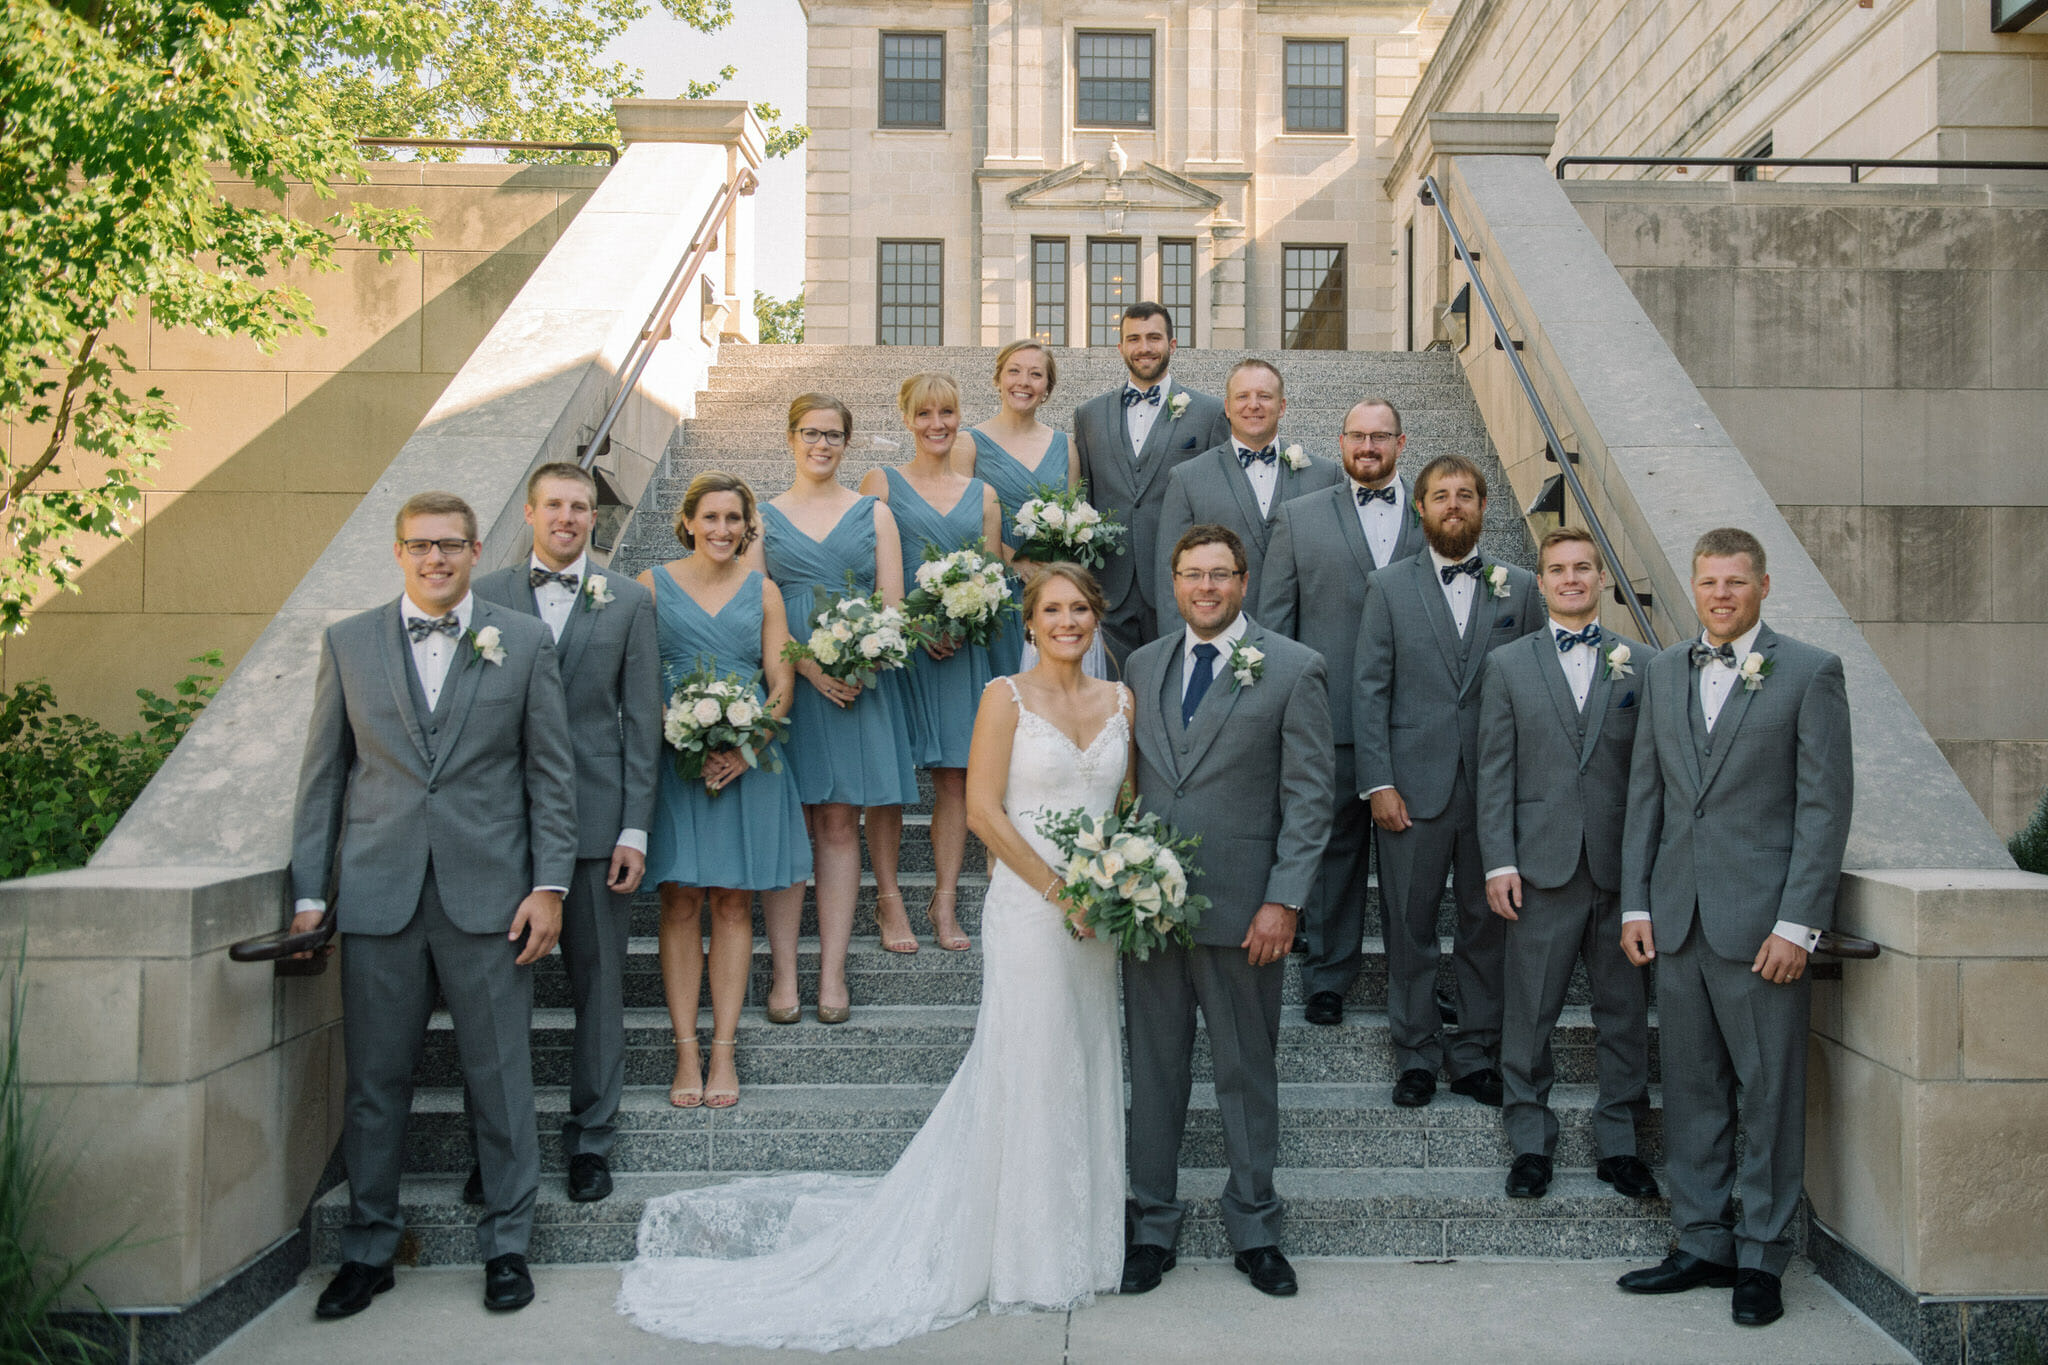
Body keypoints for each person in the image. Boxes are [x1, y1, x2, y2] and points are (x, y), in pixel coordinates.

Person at [616, 564, 1131, 1351]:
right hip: (1035, 909)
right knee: (1030, 1060)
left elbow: (1125, 806)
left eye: (1079, 609)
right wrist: (1061, 890)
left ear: (1096, 619)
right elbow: (985, 811)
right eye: (1052, 609)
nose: (1067, 621)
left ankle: (1083, 1237)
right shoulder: (1004, 697)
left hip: (1101, 916)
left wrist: (1122, 878)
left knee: (1088, 1054)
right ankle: (1024, 1252)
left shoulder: (1121, 700)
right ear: (1028, 623)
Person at [289, 490, 576, 1318]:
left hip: (492, 899)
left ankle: (508, 1245)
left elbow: (549, 778)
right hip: (378, 898)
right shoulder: (348, 643)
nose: (436, 559)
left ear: (476, 548)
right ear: (398, 551)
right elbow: (323, 781)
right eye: (420, 545)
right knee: (376, 1084)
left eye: (451, 545)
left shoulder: (521, 642)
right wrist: (312, 895)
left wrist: (549, 886)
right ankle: (369, 1248)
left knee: (501, 1078)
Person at [1615, 527, 1852, 1328]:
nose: (1721, 595)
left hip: (1761, 929)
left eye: (1736, 582)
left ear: (1763, 585)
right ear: (1694, 585)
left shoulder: (1810, 673)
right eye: (1709, 582)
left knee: (1771, 1091)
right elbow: (1645, 794)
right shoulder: (1662, 670)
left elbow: (1824, 810)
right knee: (1690, 1091)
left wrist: (1799, 925)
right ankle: (1702, 1239)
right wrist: (1637, 903)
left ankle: (1761, 1254)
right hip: (1678, 919)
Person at [1120, 525, 1334, 1300]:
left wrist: (1284, 899)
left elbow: (1310, 799)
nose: (1205, 588)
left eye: (1220, 575)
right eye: (1191, 575)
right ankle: (1151, 1225)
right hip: (1149, 912)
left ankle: (1255, 1226)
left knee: (1245, 1072)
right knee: (1154, 1072)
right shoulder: (1143, 664)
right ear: (1173, 582)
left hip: (1248, 911)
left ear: (1244, 582)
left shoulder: (1294, 667)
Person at [460, 462, 659, 1206]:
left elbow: (643, 720)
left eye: (582, 507)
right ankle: (500, 1147)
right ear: (531, 512)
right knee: (493, 999)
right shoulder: (485, 596)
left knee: (599, 988)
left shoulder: (630, 600)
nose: (569, 518)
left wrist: (634, 827)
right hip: (500, 827)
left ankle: (590, 1141)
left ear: (593, 518)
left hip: (598, 824)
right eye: (556, 505)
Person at [1354, 454, 1542, 1110]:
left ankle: (1475, 1052)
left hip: (1494, 792)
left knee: (1484, 923)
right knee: (1408, 923)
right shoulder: (1388, 587)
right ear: (1421, 508)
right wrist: (1378, 780)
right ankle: (1416, 1052)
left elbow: (1542, 688)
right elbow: (1370, 687)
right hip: (1412, 785)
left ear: (1484, 507)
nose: (1453, 505)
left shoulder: (1520, 588)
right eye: (1441, 495)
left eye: (1466, 495)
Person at [1475, 528, 1655, 1202]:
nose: (1571, 578)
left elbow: (1653, 777)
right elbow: (1493, 773)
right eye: (1557, 569)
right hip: (1539, 866)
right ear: (1541, 581)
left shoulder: (1643, 664)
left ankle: (1621, 1142)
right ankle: (1529, 1141)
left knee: (1624, 1011)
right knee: (1529, 1012)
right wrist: (1499, 861)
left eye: (1583, 567)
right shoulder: (1508, 665)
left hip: (1620, 870)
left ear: (1601, 578)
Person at [639, 473, 811, 1110]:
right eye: (709, 518)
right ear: (687, 522)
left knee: (735, 905)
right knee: (681, 902)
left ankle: (723, 1052)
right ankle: (685, 1048)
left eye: (734, 519)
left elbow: (783, 685)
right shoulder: (651, 585)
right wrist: (676, 731)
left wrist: (746, 748)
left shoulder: (764, 591)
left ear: (747, 527)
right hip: (676, 763)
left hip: (747, 764)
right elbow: (634, 674)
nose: (721, 530)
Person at [1259, 398, 1426, 1026]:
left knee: (1414, 863)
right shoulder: (1298, 518)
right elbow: (1274, 625)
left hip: (1415, 718)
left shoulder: (1435, 515)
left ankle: (1417, 983)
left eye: (1380, 436)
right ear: (1341, 439)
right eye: (1356, 435)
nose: (1367, 447)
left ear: (1401, 443)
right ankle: (1328, 975)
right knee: (1330, 852)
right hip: (1327, 717)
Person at [753, 394, 919, 1014]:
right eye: (809, 433)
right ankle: (785, 975)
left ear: (847, 443)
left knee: (838, 823)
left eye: (832, 435)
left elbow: (893, 604)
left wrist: (859, 659)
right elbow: (755, 605)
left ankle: (832, 973)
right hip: (790, 681)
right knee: (791, 826)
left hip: (857, 686)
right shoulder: (763, 519)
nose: (821, 445)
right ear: (791, 438)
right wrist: (807, 669)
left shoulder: (873, 514)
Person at [861, 372, 1004, 953]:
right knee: (892, 784)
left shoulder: (986, 496)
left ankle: (943, 899)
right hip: (899, 650)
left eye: (947, 412)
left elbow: (993, 580)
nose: (937, 424)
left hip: (959, 654)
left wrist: (965, 621)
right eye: (924, 414)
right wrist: (912, 626)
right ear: (906, 419)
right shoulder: (882, 482)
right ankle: (889, 899)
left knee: (955, 778)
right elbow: (865, 566)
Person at [1070, 301, 1231, 666]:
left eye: (1154, 338)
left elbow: (1218, 503)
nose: (1144, 347)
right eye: (1134, 339)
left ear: (1172, 345)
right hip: (1110, 585)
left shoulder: (1208, 414)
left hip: (1181, 585)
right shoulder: (1089, 416)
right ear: (1121, 348)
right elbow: (1084, 498)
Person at [1153, 358, 1341, 637]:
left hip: (1304, 644)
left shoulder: (1324, 476)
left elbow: (1334, 575)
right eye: (1242, 396)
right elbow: (1171, 578)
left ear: (1282, 407)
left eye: (1265, 396)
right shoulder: (1187, 478)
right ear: (1227, 408)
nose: (1253, 405)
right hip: (1218, 637)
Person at [956, 339, 1078, 676]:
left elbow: (1074, 525)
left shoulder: (1065, 445)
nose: (1024, 382)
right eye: (1014, 371)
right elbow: (960, 522)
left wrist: (1052, 574)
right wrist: (1013, 561)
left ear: (1047, 388)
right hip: (994, 587)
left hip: (1050, 590)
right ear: (998, 380)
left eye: (1036, 374)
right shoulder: (968, 443)